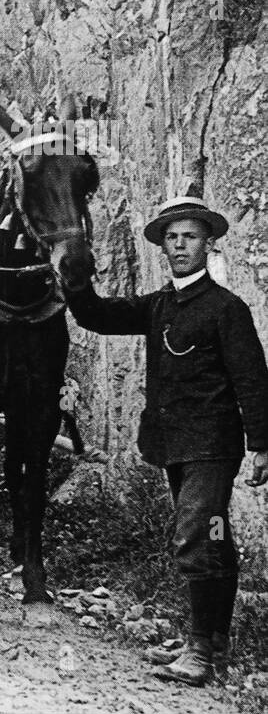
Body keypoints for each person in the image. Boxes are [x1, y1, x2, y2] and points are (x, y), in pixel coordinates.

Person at [67, 195, 268, 687]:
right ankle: (212, 641)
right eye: (172, 238)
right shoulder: (160, 304)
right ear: (163, 246)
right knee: (215, 537)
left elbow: (253, 379)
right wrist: (74, 277)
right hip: (174, 446)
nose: (180, 246)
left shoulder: (226, 309)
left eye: (191, 237)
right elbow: (99, 316)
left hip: (213, 448)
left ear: (209, 243)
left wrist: (263, 444)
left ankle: (200, 652)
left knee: (196, 534)